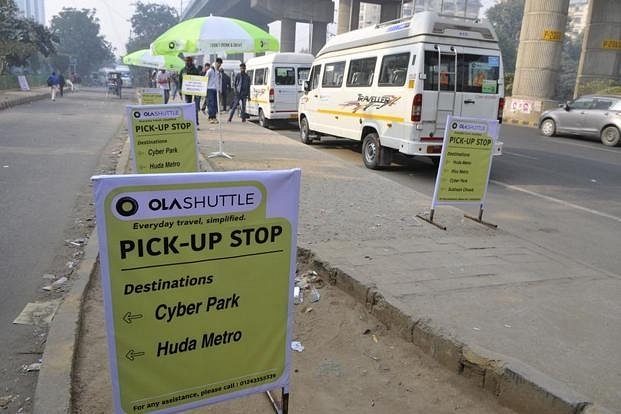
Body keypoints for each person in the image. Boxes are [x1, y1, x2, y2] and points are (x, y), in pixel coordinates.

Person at [179, 56, 202, 129]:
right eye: (186, 61)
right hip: (187, 91)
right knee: (188, 107)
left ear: (191, 61)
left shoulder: (195, 70)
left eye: (189, 61)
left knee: (195, 108)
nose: (187, 62)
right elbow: (180, 81)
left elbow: (199, 80)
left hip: (195, 91)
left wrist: (199, 92)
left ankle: (196, 123)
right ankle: (189, 123)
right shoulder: (182, 70)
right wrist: (180, 90)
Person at [204, 58, 222, 124]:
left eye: (220, 64)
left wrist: (220, 89)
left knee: (215, 104)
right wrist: (205, 89)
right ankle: (210, 117)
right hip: (210, 89)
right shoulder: (210, 70)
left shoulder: (218, 71)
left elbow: (219, 81)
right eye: (219, 63)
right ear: (216, 63)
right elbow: (205, 79)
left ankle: (214, 117)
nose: (219, 65)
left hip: (216, 89)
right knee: (211, 104)